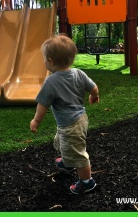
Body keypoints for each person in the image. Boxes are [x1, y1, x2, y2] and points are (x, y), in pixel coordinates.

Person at [29, 34, 100, 194]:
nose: (44, 61)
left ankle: (87, 181)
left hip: (70, 125)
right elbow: (94, 87)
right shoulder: (78, 73)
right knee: (62, 142)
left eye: (44, 59)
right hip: (80, 119)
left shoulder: (51, 82)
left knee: (78, 154)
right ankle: (68, 162)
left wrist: (36, 121)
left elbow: (43, 105)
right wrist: (93, 96)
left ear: (51, 61)